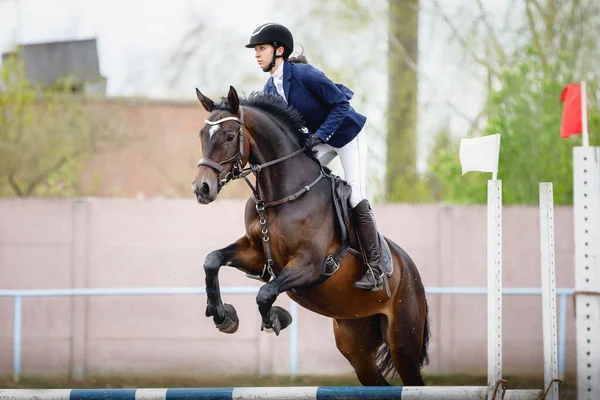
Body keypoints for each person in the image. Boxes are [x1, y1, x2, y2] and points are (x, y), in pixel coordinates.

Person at [245, 22, 385, 292]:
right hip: (319, 140)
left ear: (279, 50)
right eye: (256, 50)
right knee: (294, 184)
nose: (257, 54)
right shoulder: (270, 90)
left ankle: (375, 267)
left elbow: (341, 104)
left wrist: (320, 135)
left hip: (347, 136)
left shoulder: (304, 74)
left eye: (261, 49)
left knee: (355, 195)